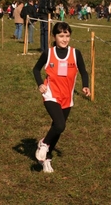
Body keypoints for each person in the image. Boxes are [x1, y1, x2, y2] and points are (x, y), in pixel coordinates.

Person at [32, 22, 91, 173]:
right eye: (61, 36)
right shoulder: (49, 53)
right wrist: (40, 84)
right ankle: (44, 144)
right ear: (54, 36)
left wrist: (85, 85)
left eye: (67, 36)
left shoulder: (75, 53)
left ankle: (47, 159)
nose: (64, 39)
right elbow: (36, 69)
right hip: (51, 95)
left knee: (57, 129)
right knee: (60, 125)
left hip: (67, 97)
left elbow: (84, 71)